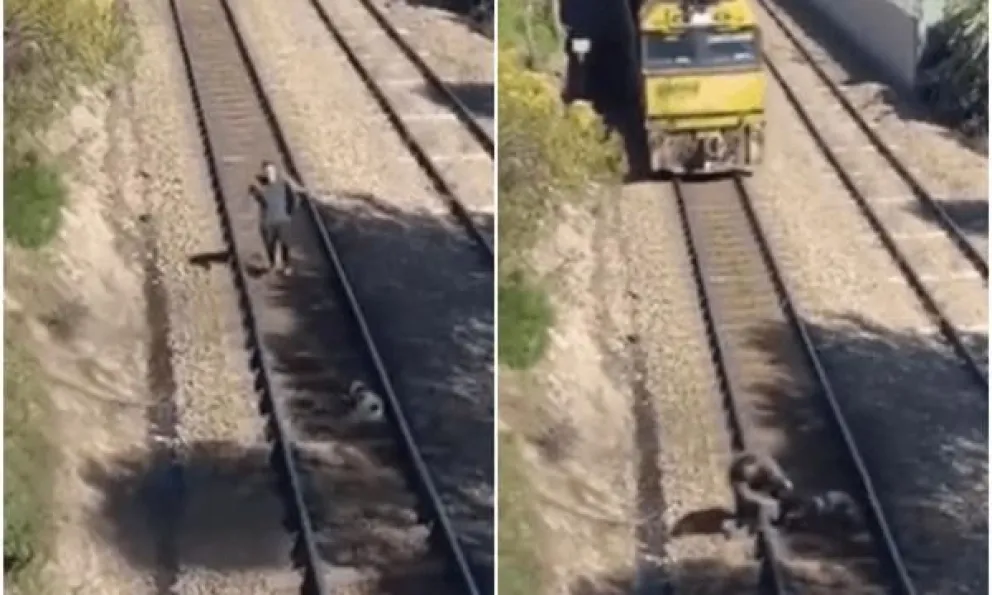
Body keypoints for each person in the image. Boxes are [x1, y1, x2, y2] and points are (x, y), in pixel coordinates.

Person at [251, 160, 306, 276]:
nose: (270, 174)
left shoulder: (283, 184)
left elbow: (293, 198)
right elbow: (260, 201)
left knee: (285, 243)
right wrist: (256, 194)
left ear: (275, 171)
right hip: (269, 221)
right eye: (267, 172)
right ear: (264, 173)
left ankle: (287, 265)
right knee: (270, 244)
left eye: (271, 171)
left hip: (283, 219)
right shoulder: (261, 186)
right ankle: (272, 263)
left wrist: (290, 212)